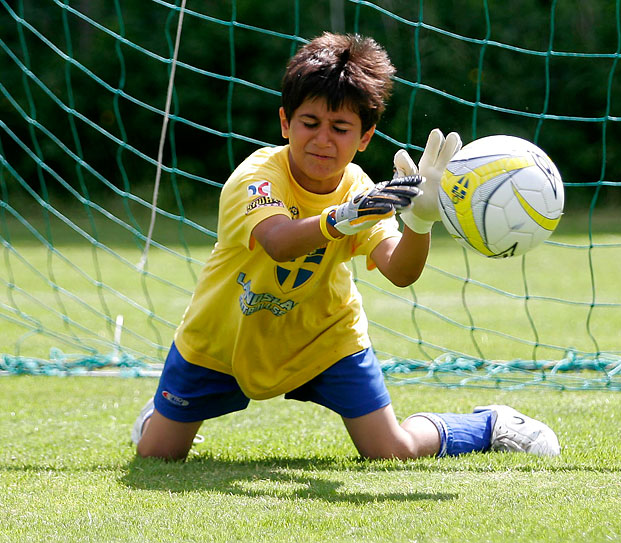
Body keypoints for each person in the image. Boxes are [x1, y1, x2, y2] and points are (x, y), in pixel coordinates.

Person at [131, 32, 560, 461]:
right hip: (221, 339)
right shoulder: (257, 175)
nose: (323, 140)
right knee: (157, 456)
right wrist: (342, 218)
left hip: (324, 336)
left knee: (391, 449)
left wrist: (420, 221)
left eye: (340, 128)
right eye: (309, 123)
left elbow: (400, 270)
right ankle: (160, 417)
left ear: (365, 137)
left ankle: (493, 424)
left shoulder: (362, 188)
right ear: (285, 123)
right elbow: (278, 243)